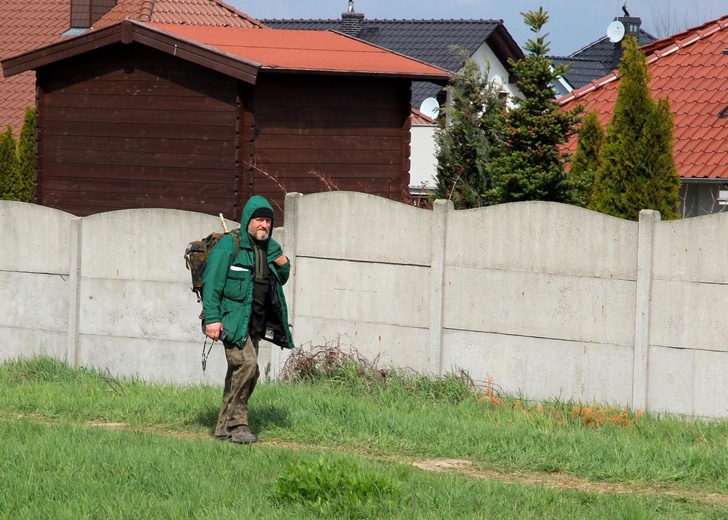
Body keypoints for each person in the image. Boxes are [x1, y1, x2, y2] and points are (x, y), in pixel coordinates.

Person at [202, 195, 293, 444]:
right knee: (248, 366)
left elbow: (281, 277)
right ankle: (239, 424)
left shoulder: (269, 247)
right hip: (231, 321)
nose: (264, 225)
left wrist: (284, 264)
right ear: (248, 221)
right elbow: (212, 286)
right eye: (259, 220)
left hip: (254, 322)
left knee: (246, 373)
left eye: (268, 221)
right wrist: (212, 320)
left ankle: (222, 428)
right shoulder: (229, 247)